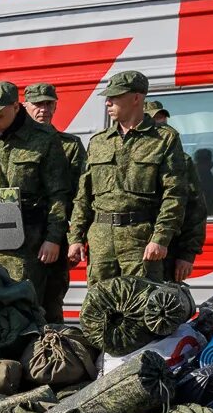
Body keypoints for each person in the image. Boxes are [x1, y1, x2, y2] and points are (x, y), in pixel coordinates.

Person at [68, 73, 190, 284]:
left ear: (136, 98)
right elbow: (83, 195)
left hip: (140, 241)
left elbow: (175, 195)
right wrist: (76, 238)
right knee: (101, 301)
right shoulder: (99, 141)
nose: (108, 102)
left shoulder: (164, 139)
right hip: (101, 242)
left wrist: (160, 239)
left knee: (140, 301)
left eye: (115, 97)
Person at [0, 80, 70, 310]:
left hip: (30, 246)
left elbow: (59, 194)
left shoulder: (44, 139)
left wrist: (53, 238)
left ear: (15, 106)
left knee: (27, 309)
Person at [23, 81, 86, 321]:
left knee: (52, 302)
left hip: (54, 234)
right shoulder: (16, 143)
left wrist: (75, 238)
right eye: (38, 104)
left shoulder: (69, 146)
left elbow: (80, 195)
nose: (44, 109)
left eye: (49, 104)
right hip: (20, 236)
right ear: (25, 106)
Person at [145, 101, 207, 280]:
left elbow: (195, 209)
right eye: (156, 124)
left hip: (167, 251)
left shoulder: (182, 161)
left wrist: (187, 254)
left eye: (163, 124)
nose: (163, 130)